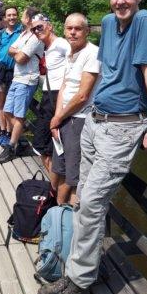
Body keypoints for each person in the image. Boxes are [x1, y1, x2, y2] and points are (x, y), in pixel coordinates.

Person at [38, 0, 147, 294]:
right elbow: (107, 73)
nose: (120, 1)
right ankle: (79, 271)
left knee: (92, 204)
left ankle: (79, 285)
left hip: (123, 127)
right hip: (95, 122)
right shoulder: (109, 23)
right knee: (83, 201)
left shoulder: (144, 21)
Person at [49, 14, 101, 205]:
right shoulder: (70, 54)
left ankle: (69, 218)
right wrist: (57, 118)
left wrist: (58, 118)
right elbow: (64, 87)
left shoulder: (93, 53)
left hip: (79, 119)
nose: (72, 32)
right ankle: (57, 212)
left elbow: (82, 96)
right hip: (65, 118)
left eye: (78, 29)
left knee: (74, 178)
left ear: (87, 31)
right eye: (69, 28)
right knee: (60, 169)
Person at [0, 7, 43, 163]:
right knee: (7, 111)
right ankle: (21, 133)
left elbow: (21, 59)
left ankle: (11, 147)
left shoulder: (35, 37)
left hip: (27, 80)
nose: (21, 17)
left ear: (28, 19)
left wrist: (17, 52)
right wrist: (18, 52)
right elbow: (10, 50)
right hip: (17, 78)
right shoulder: (24, 34)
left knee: (19, 115)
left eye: (23, 15)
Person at [30, 14, 69, 174]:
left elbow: (77, 61)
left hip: (57, 98)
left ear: (50, 26)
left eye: (39, 27)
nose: (36, 31)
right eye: (33, 29)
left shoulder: (61, 43)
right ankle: (56, 185)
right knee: (44, 147)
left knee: (42, 145)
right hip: (48, 98)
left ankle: (57, 186)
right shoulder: (47, 47)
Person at [0, 6, 22, 146]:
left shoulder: (22, 32)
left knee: (10, 105)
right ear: (5, 18)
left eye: (14, 14)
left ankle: (9, 132)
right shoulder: (0, 34)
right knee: (1, 102)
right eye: (9, 15)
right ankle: (3, 131)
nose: (12, 17)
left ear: (17, 16)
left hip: (14, 72)